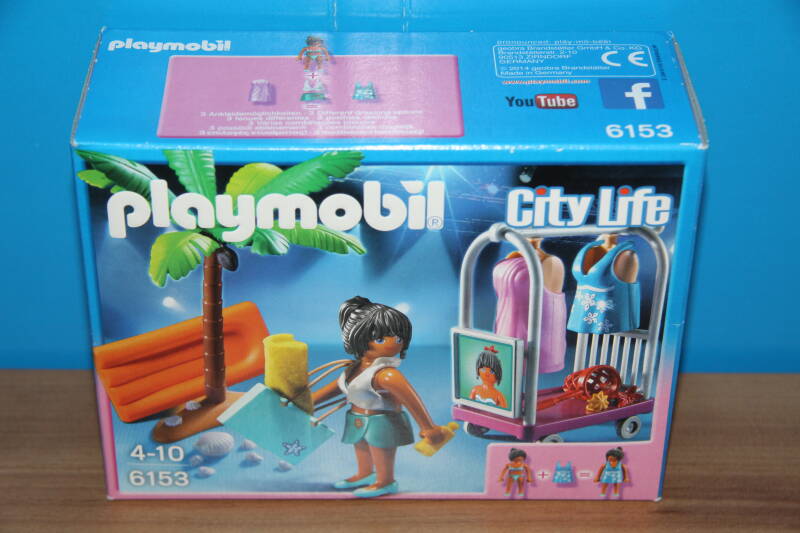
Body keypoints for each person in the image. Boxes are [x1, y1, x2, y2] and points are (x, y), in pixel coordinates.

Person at [312, 296, 446, 498]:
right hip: (357, 418)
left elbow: (411, 400)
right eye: (381, 339)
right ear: (358, 338)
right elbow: (336, 388)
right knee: (361, 446)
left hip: (383, 421)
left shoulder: (387, 375)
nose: (393, 344)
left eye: (399, 339)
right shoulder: (353, 369)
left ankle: (386, 481)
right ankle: (365, 474)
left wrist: (428, 427)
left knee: (380, 449)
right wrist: (309, 402)